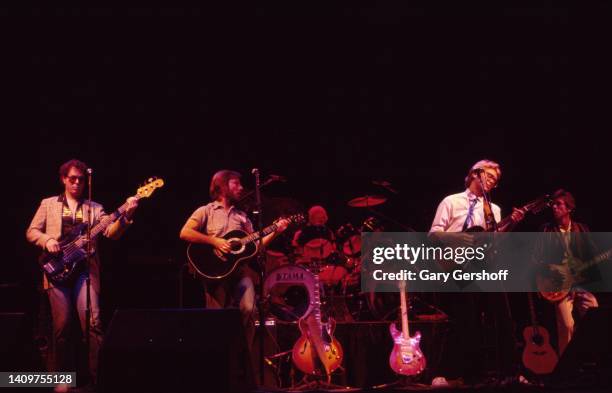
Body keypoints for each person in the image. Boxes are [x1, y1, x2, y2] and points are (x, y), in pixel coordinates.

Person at [26, 159, 138, 392]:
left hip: (84, 272)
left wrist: (126, 215)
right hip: (56, 272)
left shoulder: (95, 208)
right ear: (64, 180)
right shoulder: (48, 204)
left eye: (81, 179)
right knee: (63, 326)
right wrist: (47, 240)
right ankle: (62, 378)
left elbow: (110, 233)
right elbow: (32, 231)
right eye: (72, 179)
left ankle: (99, 379)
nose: (77, 183)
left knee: (94, 322)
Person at [429, 159, 525, 381]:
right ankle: (452, 374)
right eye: (488, 176)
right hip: (455, 266)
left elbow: (494, 242)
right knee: (466, 320)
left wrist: (513, 223)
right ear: (474, 174)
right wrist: (458, 238)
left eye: (495, 179)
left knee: (504, 317)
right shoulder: (451, 201)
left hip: (484, 266)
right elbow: (433, 234)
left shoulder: (494, 210)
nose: (492, 182)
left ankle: (512, 373)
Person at [179, 170, 289, 346]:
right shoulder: (206, 210)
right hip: (215, 271)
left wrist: (276, 230)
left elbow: (256, 245)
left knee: (250, 309)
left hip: (239, 271)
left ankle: (241, 349)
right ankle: (218, 349)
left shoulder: (242, 216)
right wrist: (214, 241)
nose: (241, 187)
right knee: (216, 316)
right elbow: (185, 232)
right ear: (221, 186)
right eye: (235, 183)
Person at [535, 189, 598, 355]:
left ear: (569, 208)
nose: (554, 207)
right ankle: (566, 370)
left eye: (559, 204)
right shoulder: (546, 231)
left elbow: (593, 255)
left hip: (581, 284)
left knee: (595, 316)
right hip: (560, 286)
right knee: (567, 325)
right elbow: (537, 260)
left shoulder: (581, 229)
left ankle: (594, 361)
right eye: (553, 204)